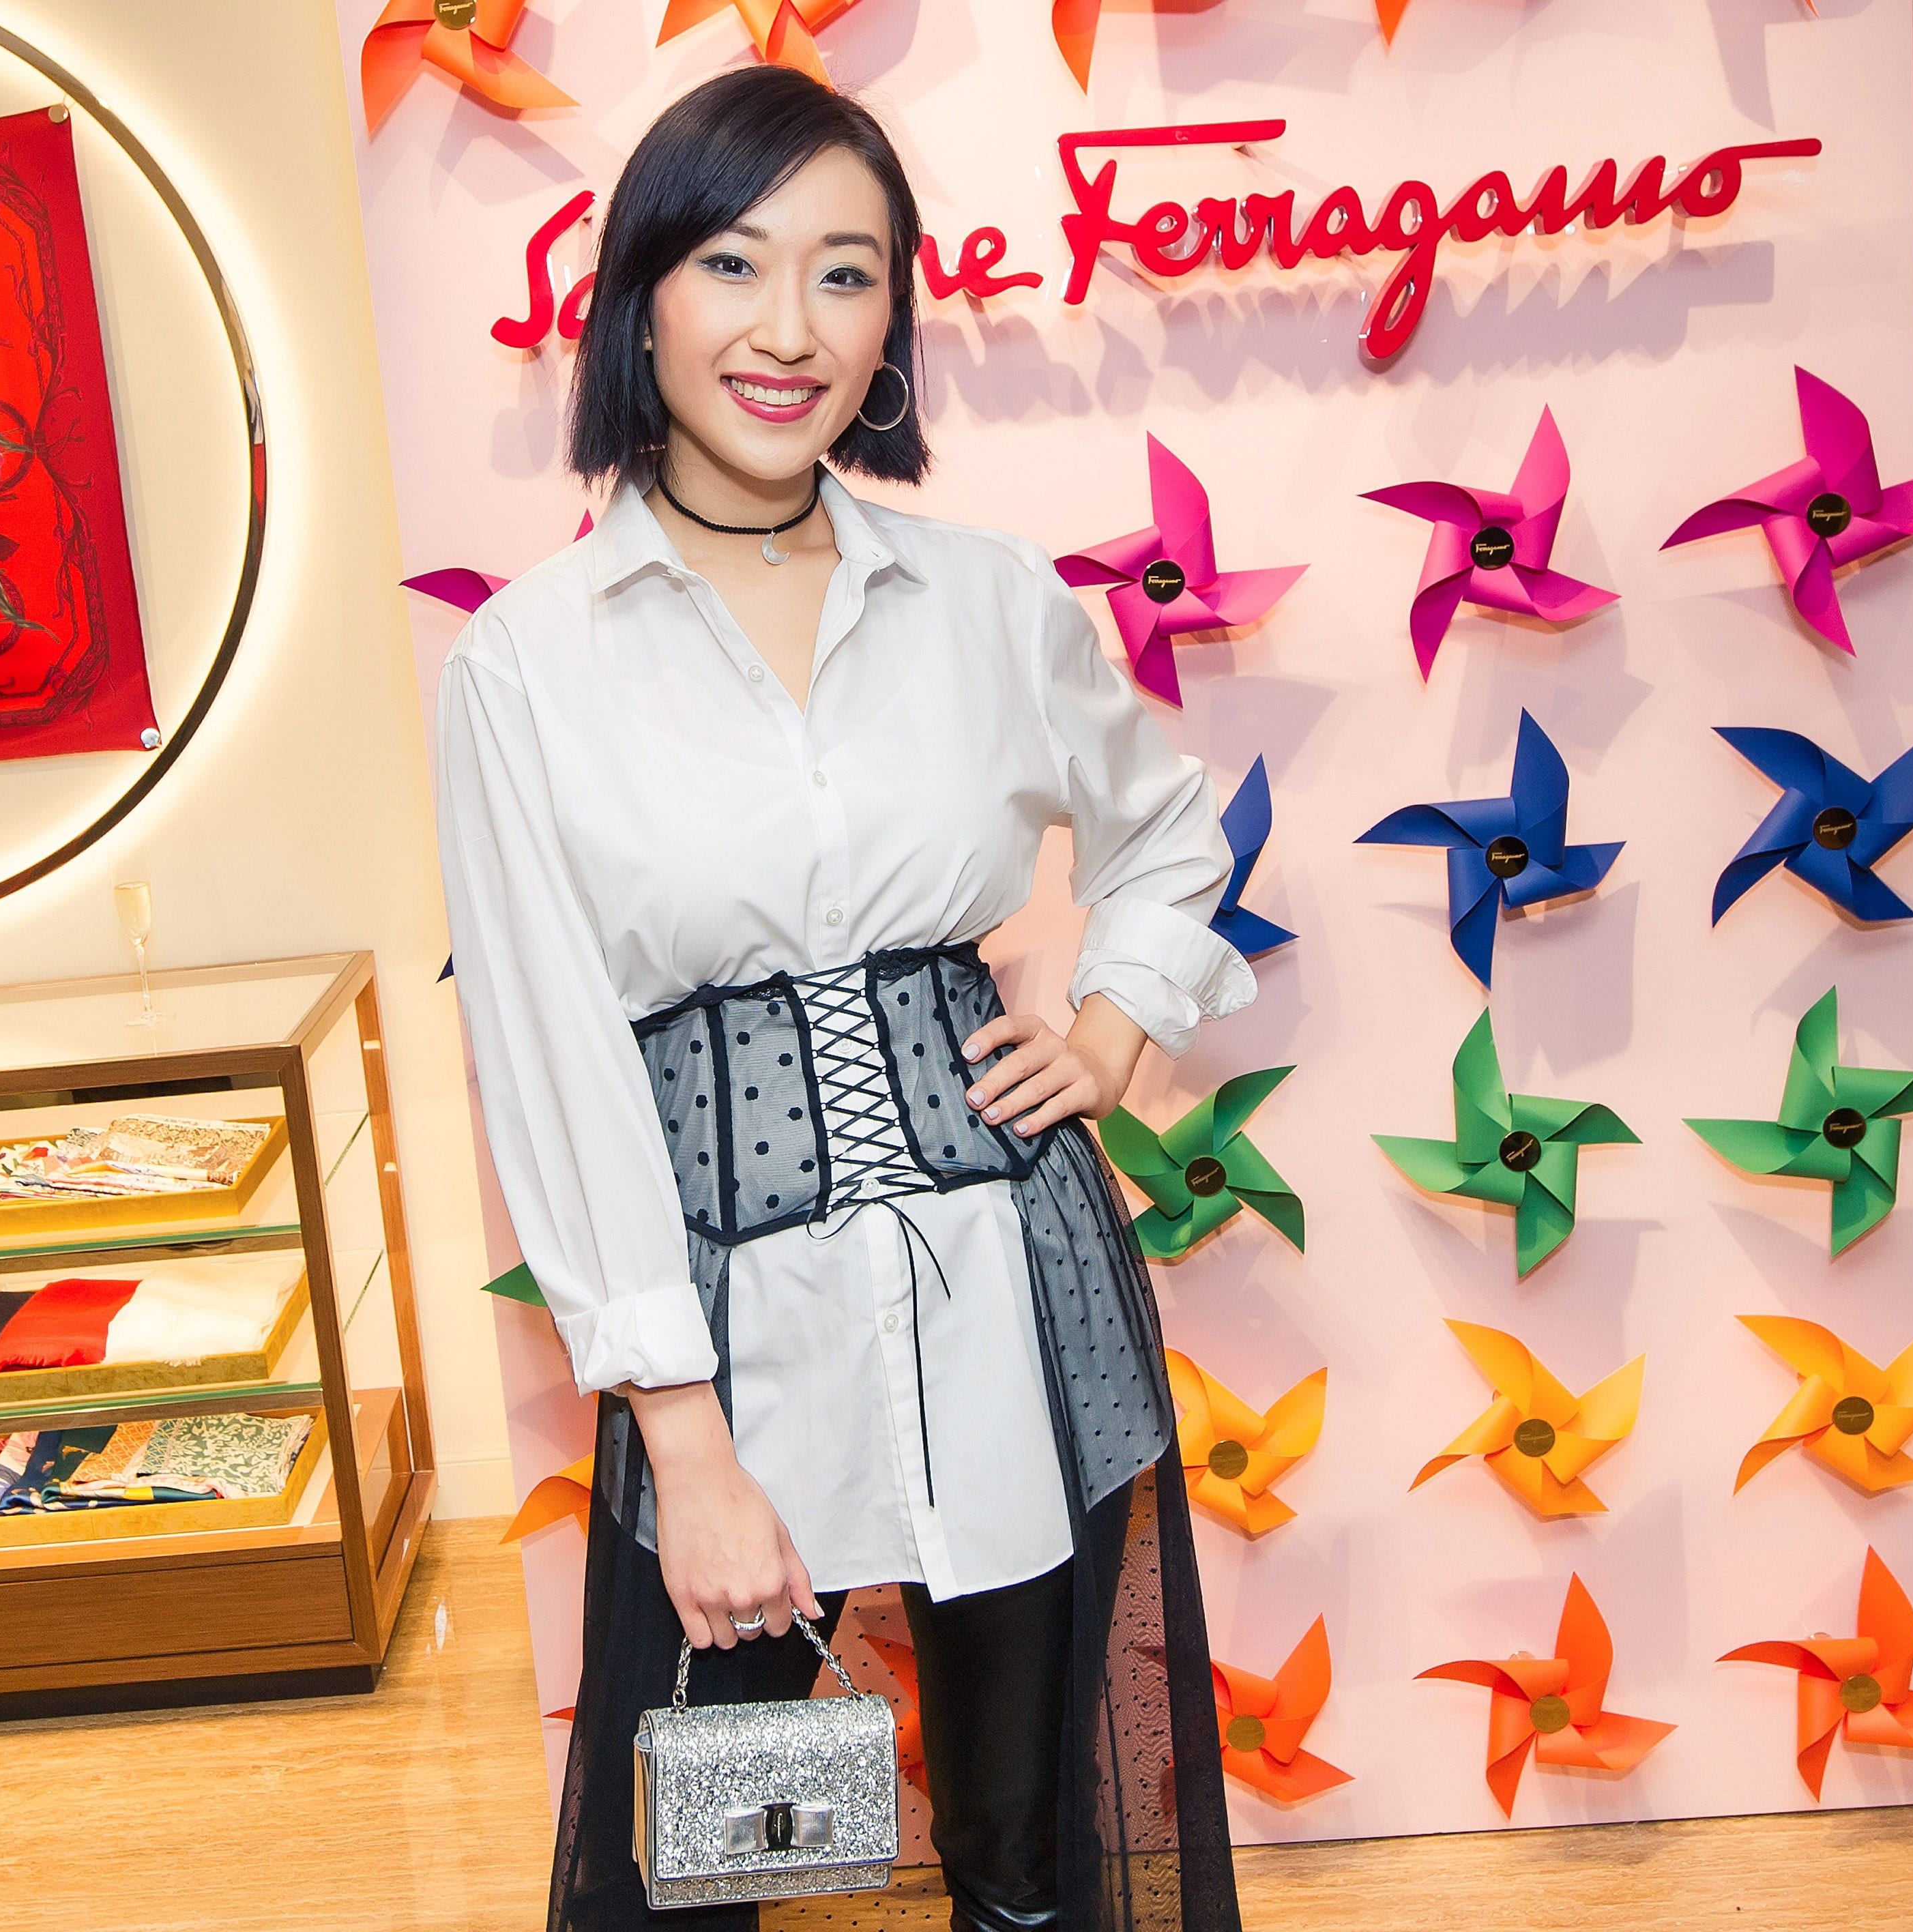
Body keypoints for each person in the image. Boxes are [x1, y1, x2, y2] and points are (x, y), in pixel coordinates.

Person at [435, 64, 1252, 1932]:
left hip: (1013, 1297)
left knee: (1023, 1865)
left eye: (846, 272)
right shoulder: (529, 666)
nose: (789, 329)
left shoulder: (988, 600)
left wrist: (1108, 1033)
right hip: (730, 1341)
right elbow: (554, 1059)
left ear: (893, 318)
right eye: (733, 264)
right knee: (715, 1864)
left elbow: (1168, 833)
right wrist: (687, 1447)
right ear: (642, 297)